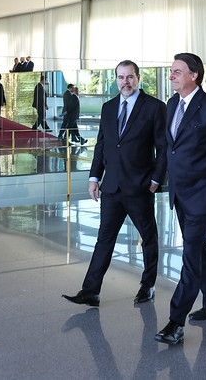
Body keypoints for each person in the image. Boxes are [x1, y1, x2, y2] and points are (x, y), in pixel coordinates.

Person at [62, 59, 167, 307]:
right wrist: (94, 177)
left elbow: (163, 148)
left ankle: (148, 285)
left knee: (148, 238)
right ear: (116, 79)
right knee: (104, 240)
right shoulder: (109, 108)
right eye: (121, 77)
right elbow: (103, 145)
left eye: (130, 77)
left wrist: (155, 180)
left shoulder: (154, 107)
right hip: (111, 187)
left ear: (138, 78)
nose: (125, 82)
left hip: (140, 187)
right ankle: (91, 291)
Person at [155, 53, 206, 345]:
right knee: (199, 247)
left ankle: (175, 322)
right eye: (171, 71)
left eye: (177, 71)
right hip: (180, 192)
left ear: (194, 75)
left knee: (190, 255)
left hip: (202, 195)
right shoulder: (172, 104)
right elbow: (171, 148)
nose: (172, 75)